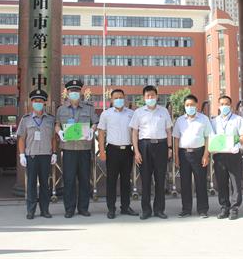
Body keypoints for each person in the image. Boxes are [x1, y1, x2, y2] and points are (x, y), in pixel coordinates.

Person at [55, 79, 99, 218]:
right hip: (68, 149)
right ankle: (69, 208)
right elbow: (57, 124)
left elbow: (95, 122)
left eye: (76, 90)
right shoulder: (61, 109)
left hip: (84, 149)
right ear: (67, 92)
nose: (74, 93)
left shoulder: (89, 108)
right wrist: (59, 132)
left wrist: (92, 130)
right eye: (71, 90)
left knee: (84, 179)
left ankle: (83, 208)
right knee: (69, 180)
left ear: (80, 92)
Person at [130, 85, 173, 220]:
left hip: (161, 146)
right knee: (146, 180)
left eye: (152, 95)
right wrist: (136, 151)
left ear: (157, 96)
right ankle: (146, 210)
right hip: (144, 146)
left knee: (160, 179)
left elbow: (169, 131)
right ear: (144, 97)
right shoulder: (138, 112)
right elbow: (134, 132)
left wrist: (170, 148)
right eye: (148, 96)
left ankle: (159, 209)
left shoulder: (164, 111)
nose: (150, 98)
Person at [97, 89, 139, 219]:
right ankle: (111, 208)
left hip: (127, 150)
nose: (119, 100)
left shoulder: (131, 114)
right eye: (116, 98)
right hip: (112, 150)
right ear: (111, 99)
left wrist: (136, 150)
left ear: (124, 98)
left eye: (121, 97)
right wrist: (102, 151)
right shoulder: (106, 114)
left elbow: (135, 132)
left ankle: (125, 207)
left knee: (126, 180)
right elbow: (101, 132)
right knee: (111, 180)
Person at [17, 88, 57, 220]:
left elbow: (53, 138)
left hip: (46, 155)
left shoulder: (50, 119)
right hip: (31, 156)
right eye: (35, 101)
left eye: (40, 101)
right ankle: (31, 210)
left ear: (44, 103)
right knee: (31, 184)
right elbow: (21, 138)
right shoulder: (26, 119)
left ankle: (45, 210)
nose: (38, 103)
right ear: (31, 102)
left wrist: (54, 153)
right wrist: (21, 155)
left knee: (45, 184)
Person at [172, 94, 212, 218]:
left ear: (196, 105)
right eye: (187, 105)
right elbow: (176, 139)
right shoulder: (180, 120)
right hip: (184, 154)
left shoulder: (204, 119)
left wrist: (206, 154)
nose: (190, 107)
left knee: (201, 182)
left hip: (199, 153)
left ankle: (203, 209)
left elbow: (208, 137)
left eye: (192, 105)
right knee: (185, 183)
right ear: (184, 106)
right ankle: (186, 209)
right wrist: (176, 156)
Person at [211, 95, 243, 220]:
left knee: (235, 182)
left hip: (233, 154)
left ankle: (234, 208)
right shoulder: (214, 121)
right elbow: (211, 138)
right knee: (221, 182)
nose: (224, 106)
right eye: (222, 104)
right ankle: (224, 207)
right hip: (219, 156)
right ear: (218, 106)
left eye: (226, 104)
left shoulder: (238, 119)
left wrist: (235, 142)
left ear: (231, 106)